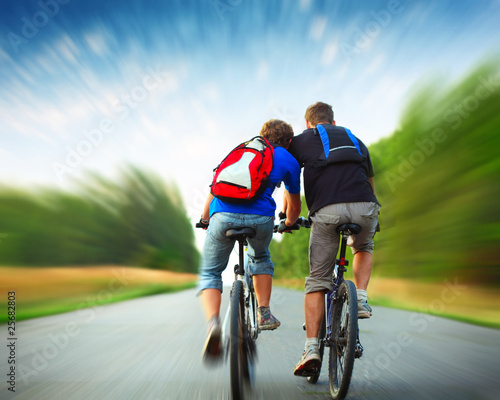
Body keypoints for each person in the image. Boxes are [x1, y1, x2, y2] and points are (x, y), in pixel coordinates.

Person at [284, 101, 380, 376]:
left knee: (317, 279)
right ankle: (360, 297)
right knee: (363, 246)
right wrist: (372, 216)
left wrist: (287, 216)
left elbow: (291, 178)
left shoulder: (300, 141)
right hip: (366, 205)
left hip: (327, 210)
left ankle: (311, 347)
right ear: (334, 122)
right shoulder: (356, 140)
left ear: (308, 124)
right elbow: (370, 182)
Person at [198, 119, 302, 364]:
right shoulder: (288, 159)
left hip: (222, 216)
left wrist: (205, 219)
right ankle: (264, 312)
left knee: (211, 272)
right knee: (260, 257)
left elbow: (214, 188)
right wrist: (288, 223)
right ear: (288, 142)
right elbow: (294, 205)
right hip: (260, 219)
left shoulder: (239, 151)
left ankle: (213, 324)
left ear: (262, 135)